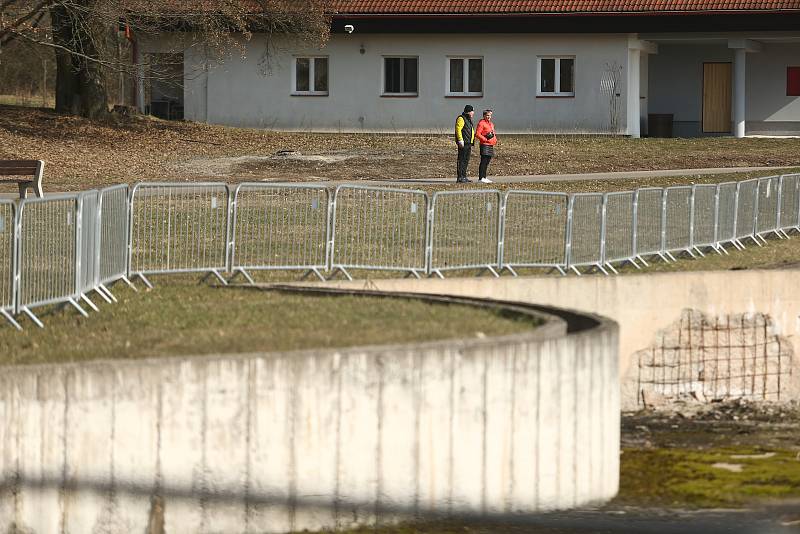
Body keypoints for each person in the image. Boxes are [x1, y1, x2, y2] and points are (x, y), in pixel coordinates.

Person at [454, 105, 475, 183]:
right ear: (469, 111)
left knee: (466, 160)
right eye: (472, 111)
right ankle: (460, 177)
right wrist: (460, 140)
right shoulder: (461, 118)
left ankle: (464, 176)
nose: (473, 113)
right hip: (464, 143)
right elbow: (458, 129)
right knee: (461, 160)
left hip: (468, 143)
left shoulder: (468, 119)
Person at [475, 109, 496, 184]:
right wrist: (484, 139)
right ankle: (481, 178)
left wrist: (495, 140)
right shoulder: (481, 123)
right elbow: (477, 134)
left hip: (490, 145)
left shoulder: (491, 124)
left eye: (490, 115)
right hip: (484, 144)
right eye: (487, 115)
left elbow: (493, 133)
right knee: (484, 161)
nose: (489, 117)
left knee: (487, 161)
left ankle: (484, 177)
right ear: (484, 116)